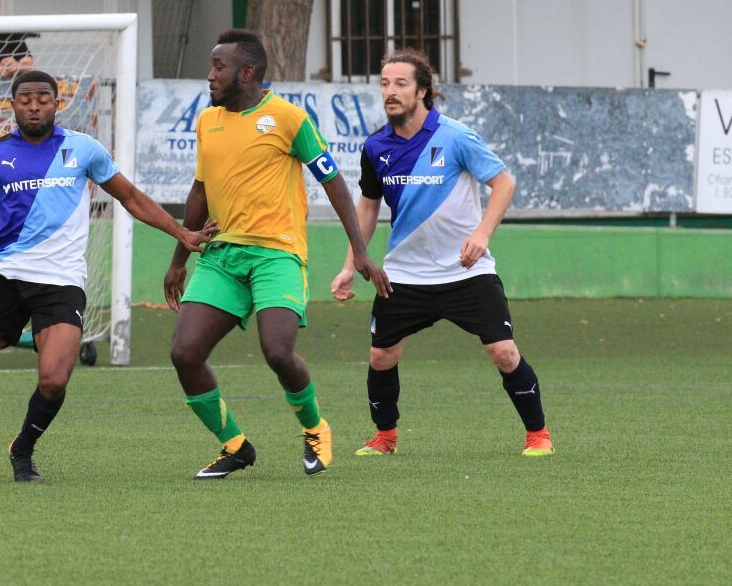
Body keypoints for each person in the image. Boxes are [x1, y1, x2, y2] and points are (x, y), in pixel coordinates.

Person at [0, 69, 215, 483]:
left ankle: (23, 450)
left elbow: (130, 197)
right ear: (13, 104)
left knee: (54, 380)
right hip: (2, 277)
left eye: (43, 98)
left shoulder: (83, 149)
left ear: (57, 103)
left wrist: (181, 231)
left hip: (61, 282)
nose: (34, 106)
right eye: (25, 99)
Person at [165, 29, 390, 480]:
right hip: (221, 255)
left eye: (218, 67)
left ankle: (315, 429)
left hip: (276, 256)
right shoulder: (209, 121)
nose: (209, 76)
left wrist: (359, 253)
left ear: (246, 72)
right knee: (185, 352)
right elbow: (199, 191)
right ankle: (234, 446)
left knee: (278, 350)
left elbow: (333, 181)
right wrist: (179, 257)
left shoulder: (288, 118)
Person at [331, 50, 555, 458]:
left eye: (400, 84)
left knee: (504, 352)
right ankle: (385, 437)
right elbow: (367, 206)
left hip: (466, 272)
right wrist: (351, 264)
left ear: (424, 90)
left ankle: (538, 435)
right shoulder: (375, 146)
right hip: (404, 274)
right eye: (384, 83)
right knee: (381, 356)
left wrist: (482, 234)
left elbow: (504, 184)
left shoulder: (455, 136)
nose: (390, 92)